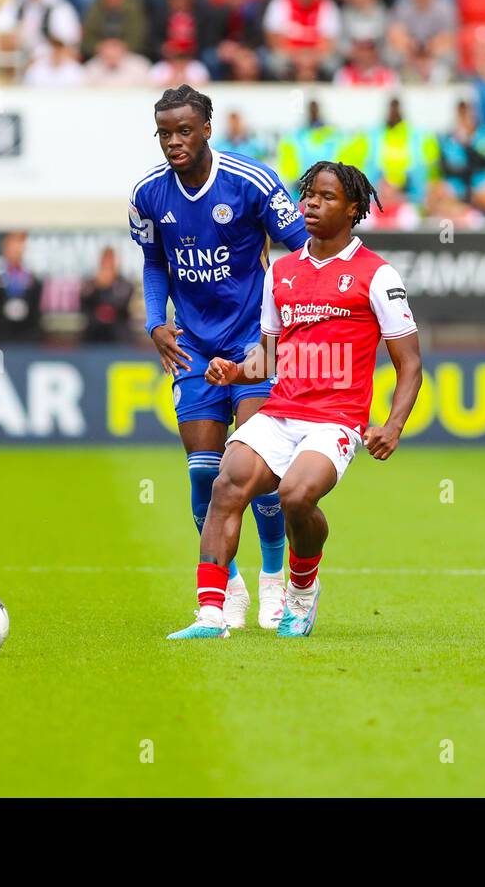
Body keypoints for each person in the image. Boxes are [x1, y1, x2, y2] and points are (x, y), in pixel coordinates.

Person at [168, 160, 422, 639]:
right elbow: (266, 356)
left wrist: (392, 425)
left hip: (335, 421)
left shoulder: (377, 275)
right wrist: (234, 372)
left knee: (295, 496)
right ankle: (209, 615)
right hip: (281, 411)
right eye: (309, 195)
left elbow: (410, 362)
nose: (311, 204)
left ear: (352, 209)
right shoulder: (281, 272)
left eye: (326, 197)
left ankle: (301, 591)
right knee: (227, 483)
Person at [129, 85, 310, 629]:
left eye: (184, 130)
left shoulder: (251, 182)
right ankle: (227, 589)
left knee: (259, 475)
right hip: (194, 348)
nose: (174, 142)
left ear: (208, 128)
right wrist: (155, 322)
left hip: (254, 345)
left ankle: (274, 580)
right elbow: (155, 262)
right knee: (205, 474)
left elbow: (300, 252)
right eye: (165, 133)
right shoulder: (148, 196)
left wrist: (286, 333)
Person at [0, 231, 45, 343]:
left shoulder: (33, 279)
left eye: (19, 245)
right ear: (4, 247)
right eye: (11, 245)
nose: (15, 249)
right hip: (0, 339)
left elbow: (37, 312)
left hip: (28, 340)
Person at [79, 246, 135, 342]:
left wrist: (108, 284)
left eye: (110, 260)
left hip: (118, 329)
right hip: (94, 330)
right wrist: (97, 285)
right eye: (105, 260)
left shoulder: (125, 284)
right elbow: (84, 303)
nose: (107, 264)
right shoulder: (91, 284)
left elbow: (121, 305)